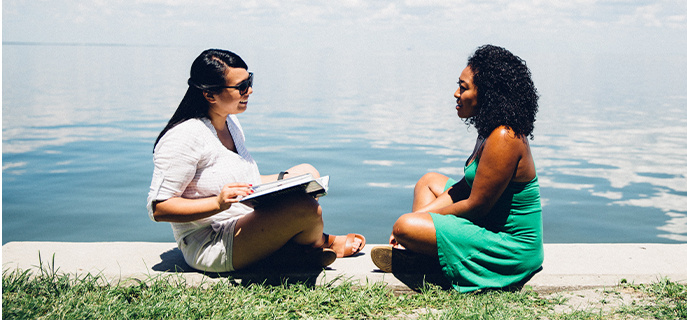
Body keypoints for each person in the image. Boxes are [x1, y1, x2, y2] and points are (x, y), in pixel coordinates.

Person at [147, 48, 365, 273]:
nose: (249, 90)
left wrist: (287, 183)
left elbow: (237, 179)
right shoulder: (184, 136)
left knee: (308, 172)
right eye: (241, 87)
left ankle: (294, 249)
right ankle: (316, 243)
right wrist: (217, 203)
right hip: (212, 242)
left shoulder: (230, 122)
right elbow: (160, 208)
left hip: (245, 217)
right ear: (209, 94)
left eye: (249, 80)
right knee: (307, 209)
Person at [371, 45, 543, 292]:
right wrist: (422, 219)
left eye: (463, 88)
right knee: (428, 181)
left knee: (403, 227)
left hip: (510, 247)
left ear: (488, 94)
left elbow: (477, 205)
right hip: (490, 224)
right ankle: (424, 250)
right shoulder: (489, 130)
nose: (455, 93)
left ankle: (423, 250)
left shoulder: (504, 137)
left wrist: (416, 223)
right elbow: (464, 187)